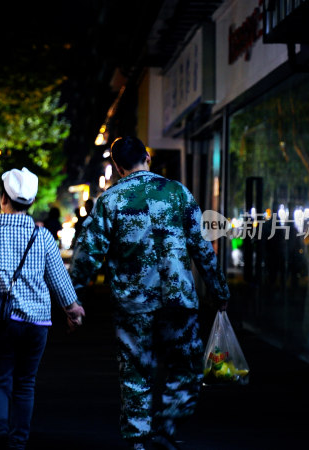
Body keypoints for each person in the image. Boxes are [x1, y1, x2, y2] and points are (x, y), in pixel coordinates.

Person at [69, 136, 230, 450]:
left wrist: (71, 299)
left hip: (132, 304)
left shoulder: (111, 200)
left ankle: (139, 441)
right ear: (147, 157)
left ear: (117, 167)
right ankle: (167, 427)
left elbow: (88, 254)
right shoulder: (178, 194)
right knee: (186, 367)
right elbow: (202, 248)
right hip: (179, 299)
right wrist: (218, 291)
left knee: (136, 372)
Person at [0, 167, 85, 450]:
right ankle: (18, 442)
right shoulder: (41, 237)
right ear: (30, 202)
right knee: (25, 383)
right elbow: (59, 279)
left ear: (4, 198)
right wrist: (73, 310)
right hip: (36, 322)